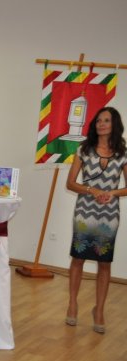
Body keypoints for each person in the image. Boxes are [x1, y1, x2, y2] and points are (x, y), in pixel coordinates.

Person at [65, 106, 127, 334]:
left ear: (114, 124)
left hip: (108, 216)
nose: (101, 124)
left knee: (104, 262)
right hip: (84, 212)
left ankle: (99, 310)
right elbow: (70, 183)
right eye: (99, 120)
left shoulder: (123, 153)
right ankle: (72, 304)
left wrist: (112, 193)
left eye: (107, 120)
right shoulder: (84, 149)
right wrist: (92, 190)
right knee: (78, 257)